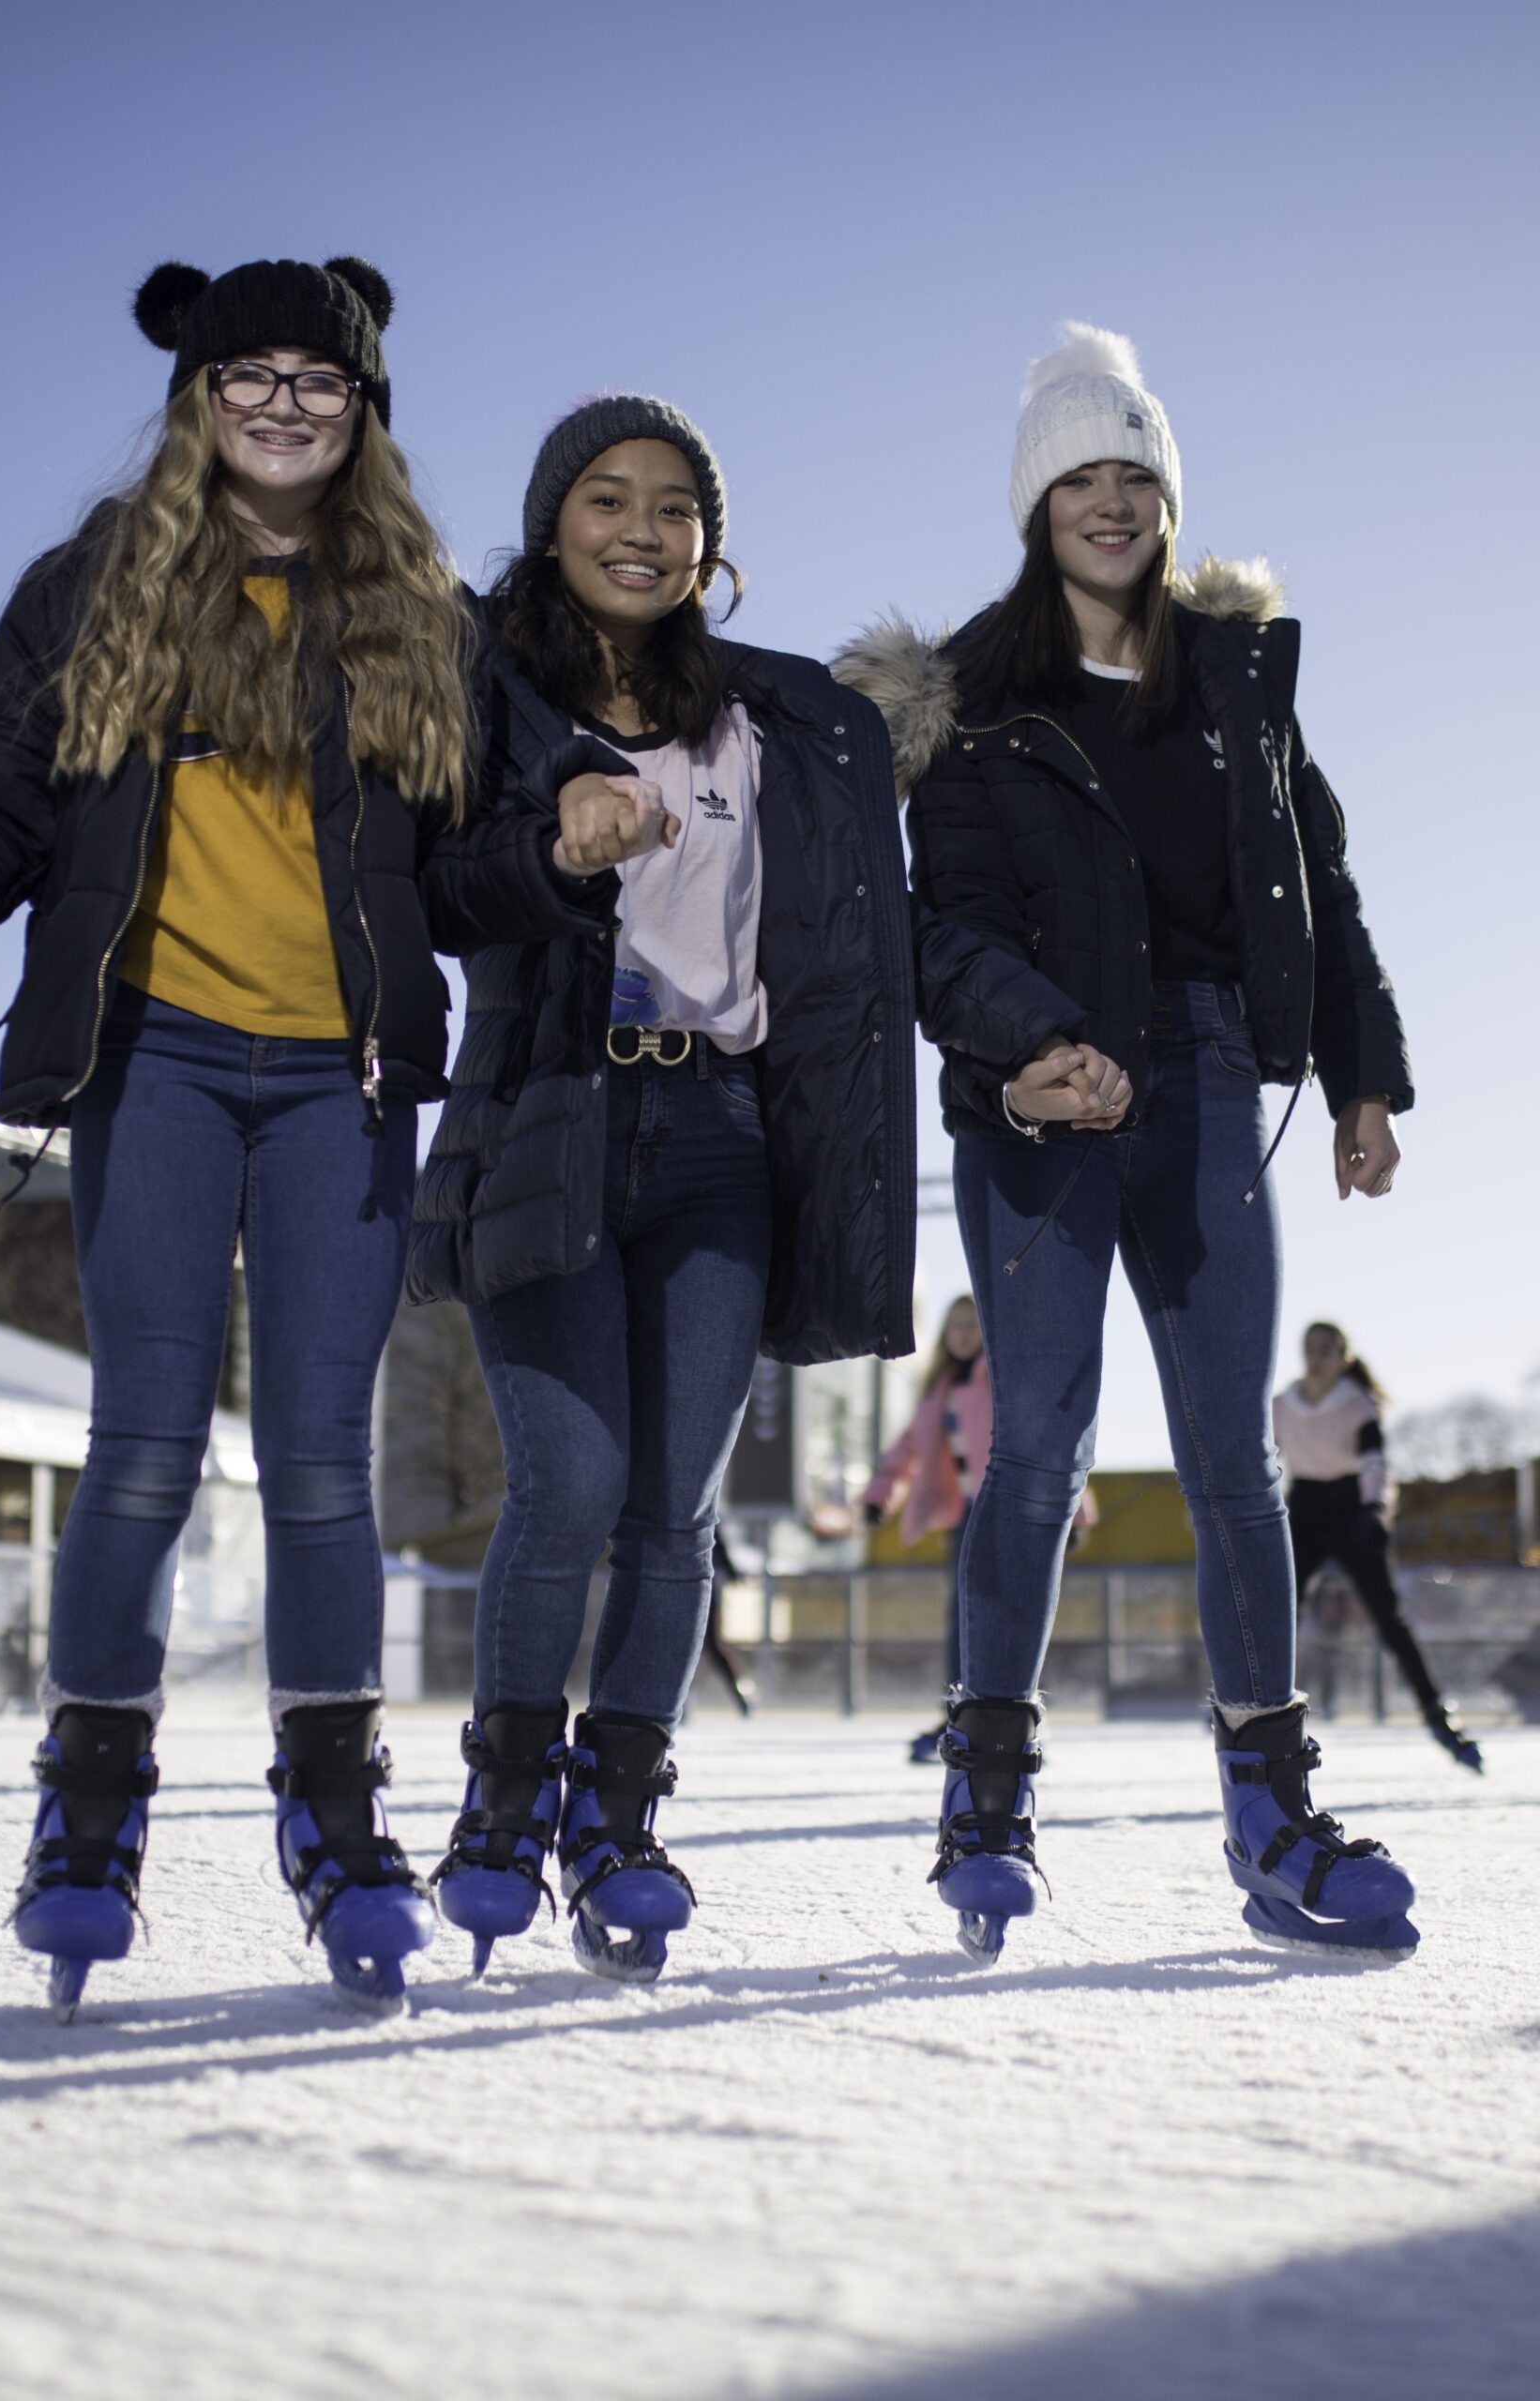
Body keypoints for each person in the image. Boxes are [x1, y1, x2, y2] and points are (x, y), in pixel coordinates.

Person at [0, 254, 659, 2017]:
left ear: (363, 410)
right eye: (245, 373)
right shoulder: (92, 588)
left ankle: (336, 1821)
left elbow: (480, 847)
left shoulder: (425, 619)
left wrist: (562, 835)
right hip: (156, 1062)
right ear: (196, 399)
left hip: (338, 1077)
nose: (281, 401)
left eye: (315, 379)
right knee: (146, 1449)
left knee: (323, 1460)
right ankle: (88, 1818)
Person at [838, 323, 1421, 1959]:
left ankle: (1272, 1805)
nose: (1110, 503)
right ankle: (990, 1790)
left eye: (1135, 476)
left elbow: (1325, 885)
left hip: (1216, 1076)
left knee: (1233, 1461)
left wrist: (1365, 1074)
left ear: (1168, 497)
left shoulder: (1237, 683)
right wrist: (1035, 1048)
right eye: (1080, 478)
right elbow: (937, 927)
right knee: (1038, 1450)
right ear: (1037, 506)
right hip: (1045, 1104)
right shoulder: (971, 700)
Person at [408, 394, 917, 1980]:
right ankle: (502, 1801)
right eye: (607, 497)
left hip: (719, 1137)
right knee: (563, 1483)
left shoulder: (772, 722)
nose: (642, 527)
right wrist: (559, 852)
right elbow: (439, 890)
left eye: (675, 506)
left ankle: (619, 1812)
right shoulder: (484, 699)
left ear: (711, 543)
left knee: (675, 1509)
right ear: (554, 519)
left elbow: (850, 933)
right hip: (546, 1117)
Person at [1276, 1321, 1483, 1770]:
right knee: (1280, 1611)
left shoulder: (1356, 1405)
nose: (1317, 1357)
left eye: (1327, 1349)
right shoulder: (1282, 1405)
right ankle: (1257, 1708)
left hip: (1352, 1511)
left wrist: (1373, 1511)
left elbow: (1375, 1464)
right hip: (1305, 1511)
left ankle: (1438, 1718)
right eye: (1311, 1348)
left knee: (1389, 1620)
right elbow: (1264, 1460)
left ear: (1344, 1358)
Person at [863, 1295, 987, 1757]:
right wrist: (879, 1496)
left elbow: (1050, 1448)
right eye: (954, 1325)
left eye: (971, 1324)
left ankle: (1009, 1715)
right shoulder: (938, 1390)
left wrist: (1074, 1513)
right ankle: (957, 1713)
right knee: (961, 1617)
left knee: (1007, 1615)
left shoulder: (1001, 1382)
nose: (961, 1334)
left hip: (1005, 1510)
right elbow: (905, 1451)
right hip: (965, 1515)